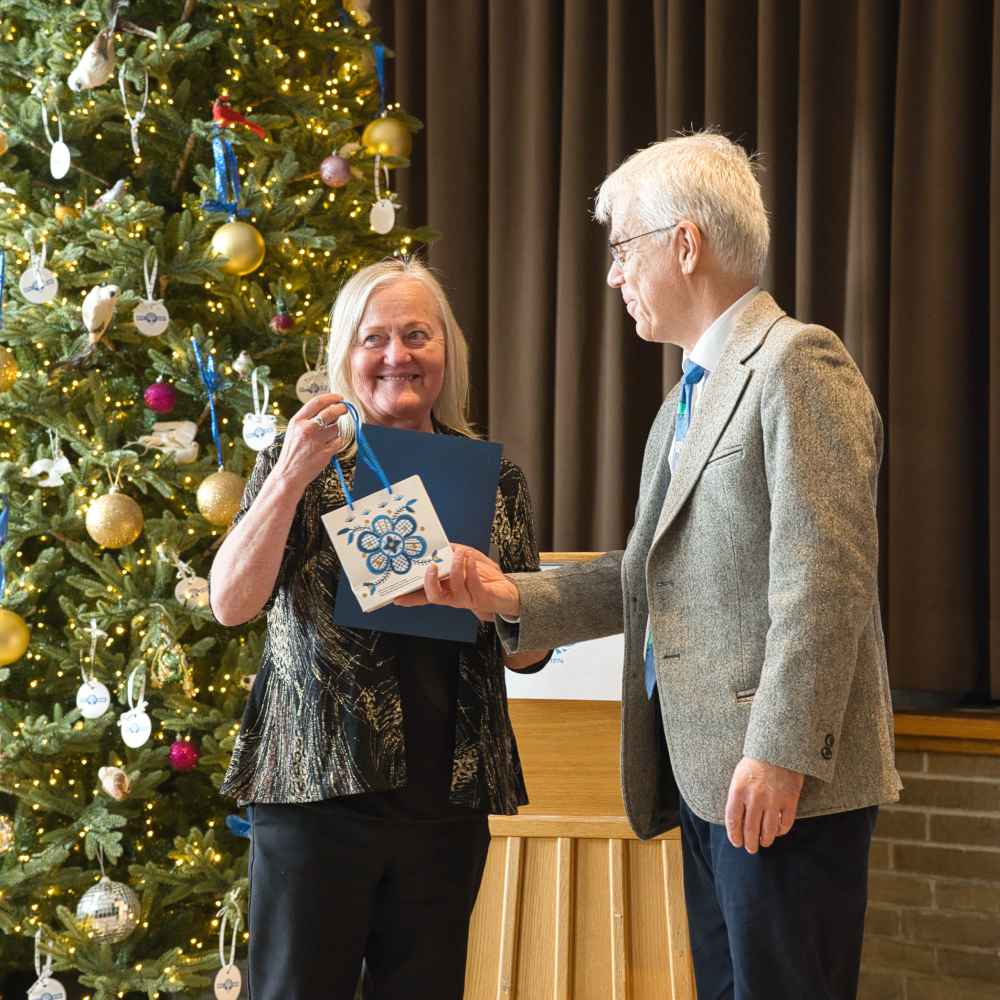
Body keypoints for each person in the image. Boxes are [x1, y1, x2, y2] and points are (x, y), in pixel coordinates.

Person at [397, 133, 901, 1000]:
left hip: (779, 779)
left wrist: (780, 752)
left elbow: (827, 579)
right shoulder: (681, 402)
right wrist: (509, 593)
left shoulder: (797, 363)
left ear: (685, 244)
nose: (613, 275)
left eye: (623, 249)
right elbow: (648, 572)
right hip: (707, 780)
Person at [209, 258, 550, 1000]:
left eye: (417, 335)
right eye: (375, 338)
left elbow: (529, 654)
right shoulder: (301, 464)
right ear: (347, 353)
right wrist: (290, 475)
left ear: (447, 350)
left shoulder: (495, 480)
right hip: (315, 791)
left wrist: (496, 598)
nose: (397, 355)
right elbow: (230, 603)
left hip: (446, 799)